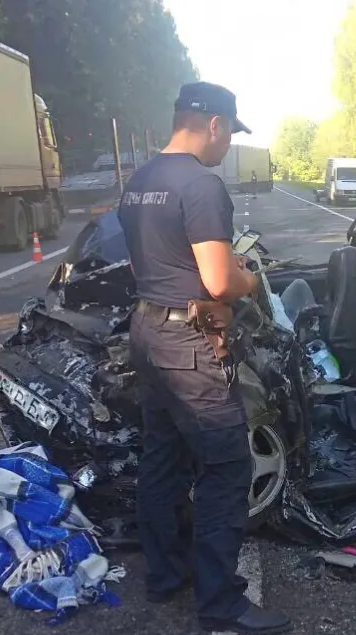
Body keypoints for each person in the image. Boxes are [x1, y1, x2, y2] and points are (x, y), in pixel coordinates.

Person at [117, 82, 293, 634]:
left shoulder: (140, 181)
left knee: (163, 455)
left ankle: (165, 575)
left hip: (146, 331)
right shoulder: (200, 185)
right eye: (230, 134)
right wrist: (249, 276)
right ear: (213, 124)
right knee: (225, 466)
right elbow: (219, 280)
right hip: (189, 344)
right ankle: (221, 604)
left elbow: (157, 258)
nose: (227, 147)